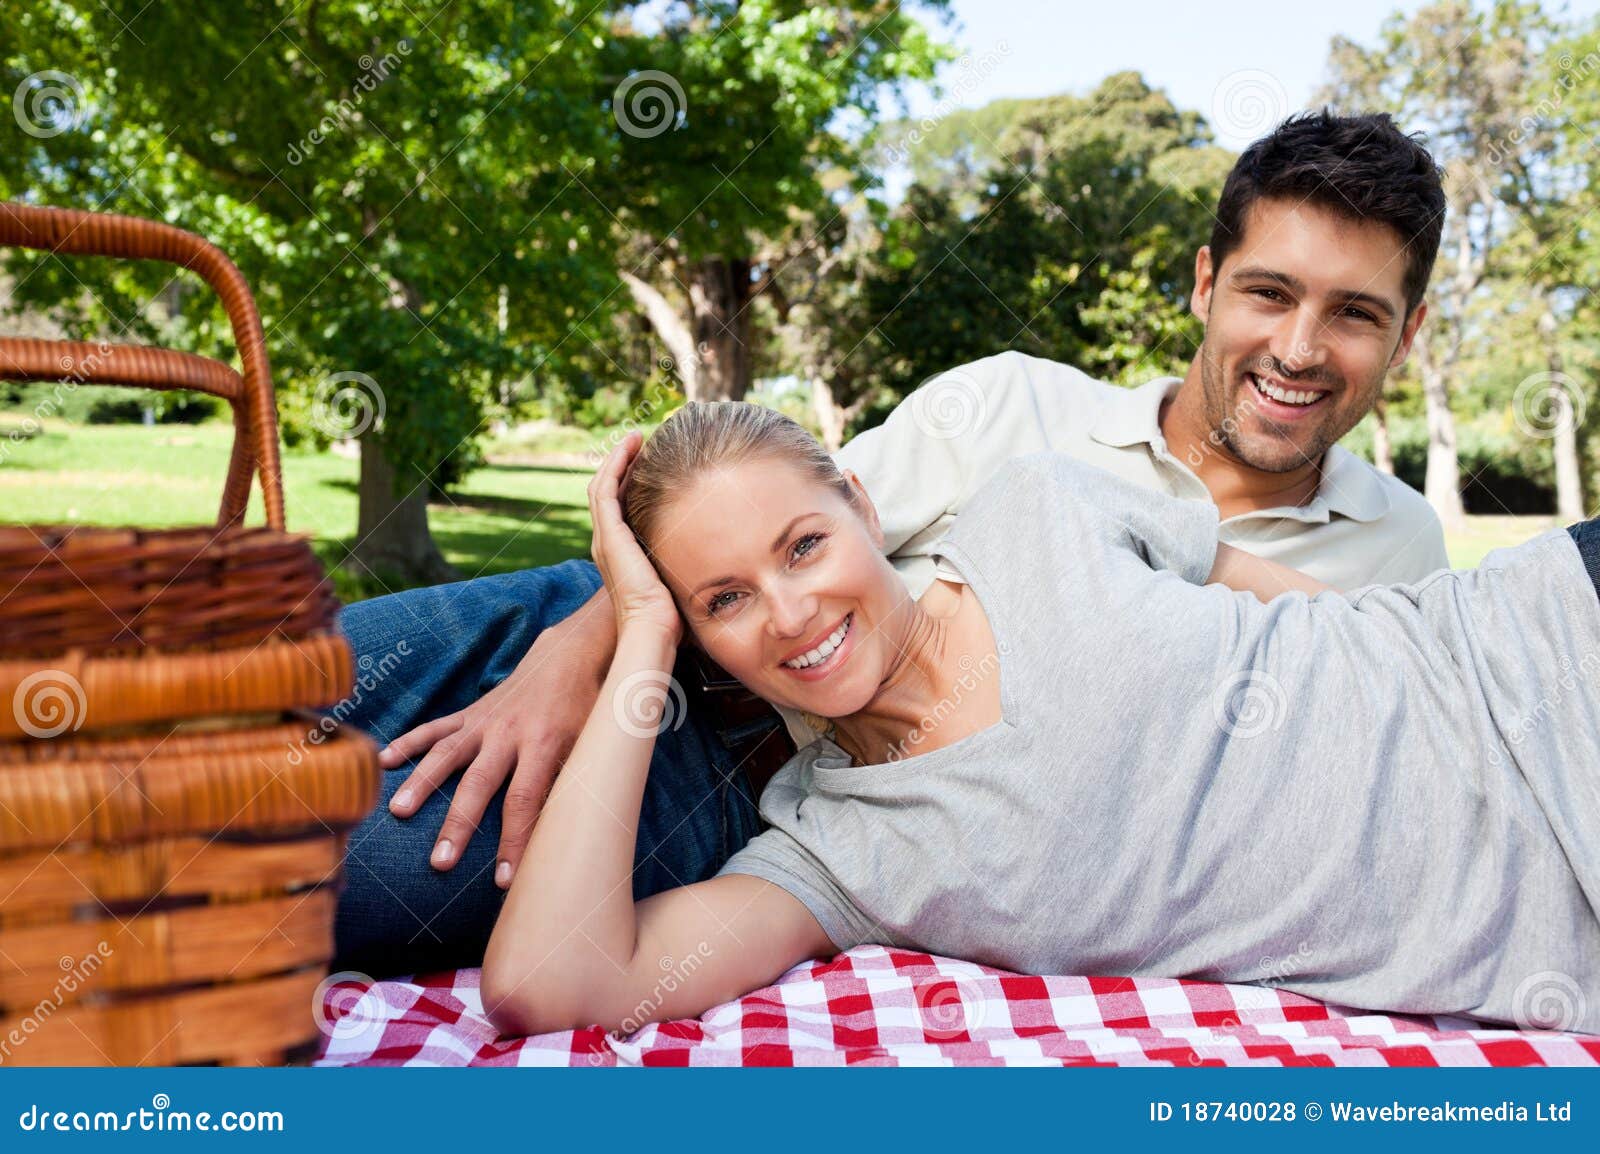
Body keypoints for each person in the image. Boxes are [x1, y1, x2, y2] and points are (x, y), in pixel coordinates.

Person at [331, 108, 1452, 976]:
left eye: (1354, 312)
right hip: (602, 621)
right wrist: (564, 661)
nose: (1298, 347)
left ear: (1404, 334)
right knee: (213, 665)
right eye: (1268, 292)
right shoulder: (1016, 408)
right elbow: (788, 521)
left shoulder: (1395, 557)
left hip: (735, 794)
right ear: (1206, 284)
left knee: (246, 866)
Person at [481, 404, 1600, 1039]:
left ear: (862, 509)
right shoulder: (843, 852)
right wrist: (633, 627)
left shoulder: (1036, 507)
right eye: (721, 599)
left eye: (805, 544)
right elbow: (550, 983)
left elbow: (1337, 620)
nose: (790, 611)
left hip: (1552, 634)